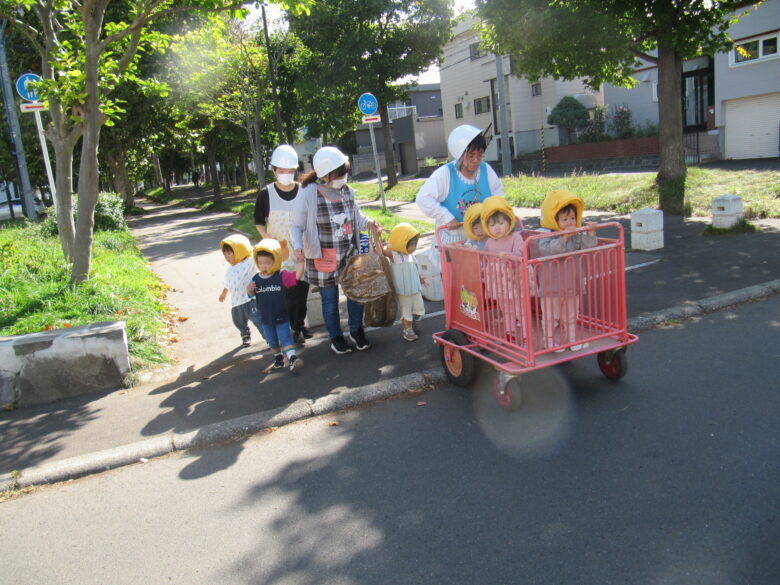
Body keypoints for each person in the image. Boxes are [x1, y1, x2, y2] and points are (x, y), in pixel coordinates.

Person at [291, 146, 382, 355]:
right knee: (330, 300)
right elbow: (296, 225)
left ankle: (356, 331)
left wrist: (371, 224)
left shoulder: (348, 192)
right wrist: (298, 247)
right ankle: (336, 337)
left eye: (345, 172)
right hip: (323, 259)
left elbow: (358, 219)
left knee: (356, 295)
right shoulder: (309, 194)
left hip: (349, 255)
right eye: (341, 173)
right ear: (326, 175)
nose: (344, 177)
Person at [254, 145, 311, 346]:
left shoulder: (303, 190)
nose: (286, 174)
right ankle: (292, 329)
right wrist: (267, 237)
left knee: (301, 293)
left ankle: (299, 324)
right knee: (287, 295)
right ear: (274, 170)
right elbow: (259, 221)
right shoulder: (266, 194)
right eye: (281, 170)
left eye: (290, 170)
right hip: (279, 255)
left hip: (302, 252)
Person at [415, 124, 504, 244]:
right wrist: (447, 217)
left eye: (480, 154)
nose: (476, 160)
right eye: (471, 155)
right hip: (453, 238)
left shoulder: (486, 170)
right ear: (460, 155)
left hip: (483, 236)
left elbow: (499, 198)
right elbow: (423, 198)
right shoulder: (445, 174)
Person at [535, 190, 598, 352]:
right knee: (550, 317)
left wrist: (590, 233)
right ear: (554, 220)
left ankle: (572, 339)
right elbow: (547, 251)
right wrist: (563, 238)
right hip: (552, 286)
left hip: (572, 283)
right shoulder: (545, 235)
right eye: (565, 219)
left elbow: (588, 247)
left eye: (572, 218)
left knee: (571, 315)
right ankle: (549, 341)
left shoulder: (576, 234)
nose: (570, 223)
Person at [247, 239, 304, 372]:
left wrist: (301, 262)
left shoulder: (281, 276)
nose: (264, 266)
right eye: (260, 263)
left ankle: (292, 358)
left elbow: (297, 277)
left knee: (285, 338)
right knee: (272, 341)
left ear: (276, 260)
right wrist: (249, 289)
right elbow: (250, 294)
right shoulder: (256, 279)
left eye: (267, 263)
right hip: (266, 319)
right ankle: (278, 357)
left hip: (281, 316)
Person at [218, 234, 264, 348]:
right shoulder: (230, 270)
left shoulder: (249, 262)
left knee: (258, 320)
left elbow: (257, 253)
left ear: (240, 251)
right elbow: (227, 282)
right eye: (225, 255)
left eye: (230, 253)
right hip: (236, 302)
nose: (227, 257)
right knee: (238, 321)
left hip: (250, 300)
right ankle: (245, 334)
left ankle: (269, 338)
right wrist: (224, 292)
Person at [382, 223, 426, 342]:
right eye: (410, 245)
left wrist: (420, 278)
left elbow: (415, 268)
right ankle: (407, 330)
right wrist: (378, 235)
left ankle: (415, 323)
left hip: (415, 287)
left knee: (420, 308)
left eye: (414, 245)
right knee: (406, 310)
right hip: (403, 290)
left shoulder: (411, 255)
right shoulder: (395, 254)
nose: (413, 248)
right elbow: (382, 251)